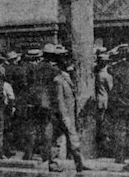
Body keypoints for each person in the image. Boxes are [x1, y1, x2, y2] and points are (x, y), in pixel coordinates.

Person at [41, 44, 90, 172]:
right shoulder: (58, 79)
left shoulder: (65, 76)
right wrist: (64, 116)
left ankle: (78, 162)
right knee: (63, 139)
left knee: (69, 138)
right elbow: (59, 100)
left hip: (68, 113)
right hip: (63, 114)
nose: (66, 60)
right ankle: (57, 163)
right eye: (63, 58)